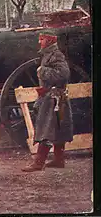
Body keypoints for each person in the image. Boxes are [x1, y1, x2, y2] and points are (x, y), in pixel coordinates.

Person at [22, 31, 73, 172]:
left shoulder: (56, 55)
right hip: (54, 97)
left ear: (50, 41)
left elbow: (64, 75)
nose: (40, 42)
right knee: (58, 128)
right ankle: (58, 160)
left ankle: (39, 162)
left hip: (54, 98)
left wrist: (42, 71)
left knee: (46, 128)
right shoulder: (48, 54)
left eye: (42, 39)